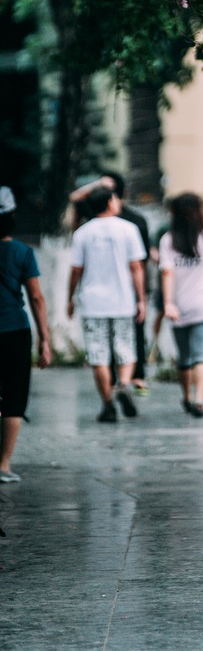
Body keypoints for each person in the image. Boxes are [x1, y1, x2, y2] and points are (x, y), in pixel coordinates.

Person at [67, 186, 147, 422]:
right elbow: (136, 267)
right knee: (126, 348)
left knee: (98, 354)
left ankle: (108, 404)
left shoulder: (82, 232)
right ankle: (122, 384)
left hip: (93, 303)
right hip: (123, 300)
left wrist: (70, 298)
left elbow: (75, 271)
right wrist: (141, 299)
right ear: (110, 202)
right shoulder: (128, 229)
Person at [0, 186, 51, 482]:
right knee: (14, 398)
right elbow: (36, 297)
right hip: (15, 331)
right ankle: (3, 465)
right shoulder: (22, 252)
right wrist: (45, 338)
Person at [159, 193, 203, 419]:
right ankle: (200, 400)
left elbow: (167, 273)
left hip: (179, 306)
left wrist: (168, 304)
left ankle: (187, 396)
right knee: (202, 355)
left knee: (185, 356)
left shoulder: (168, 240)